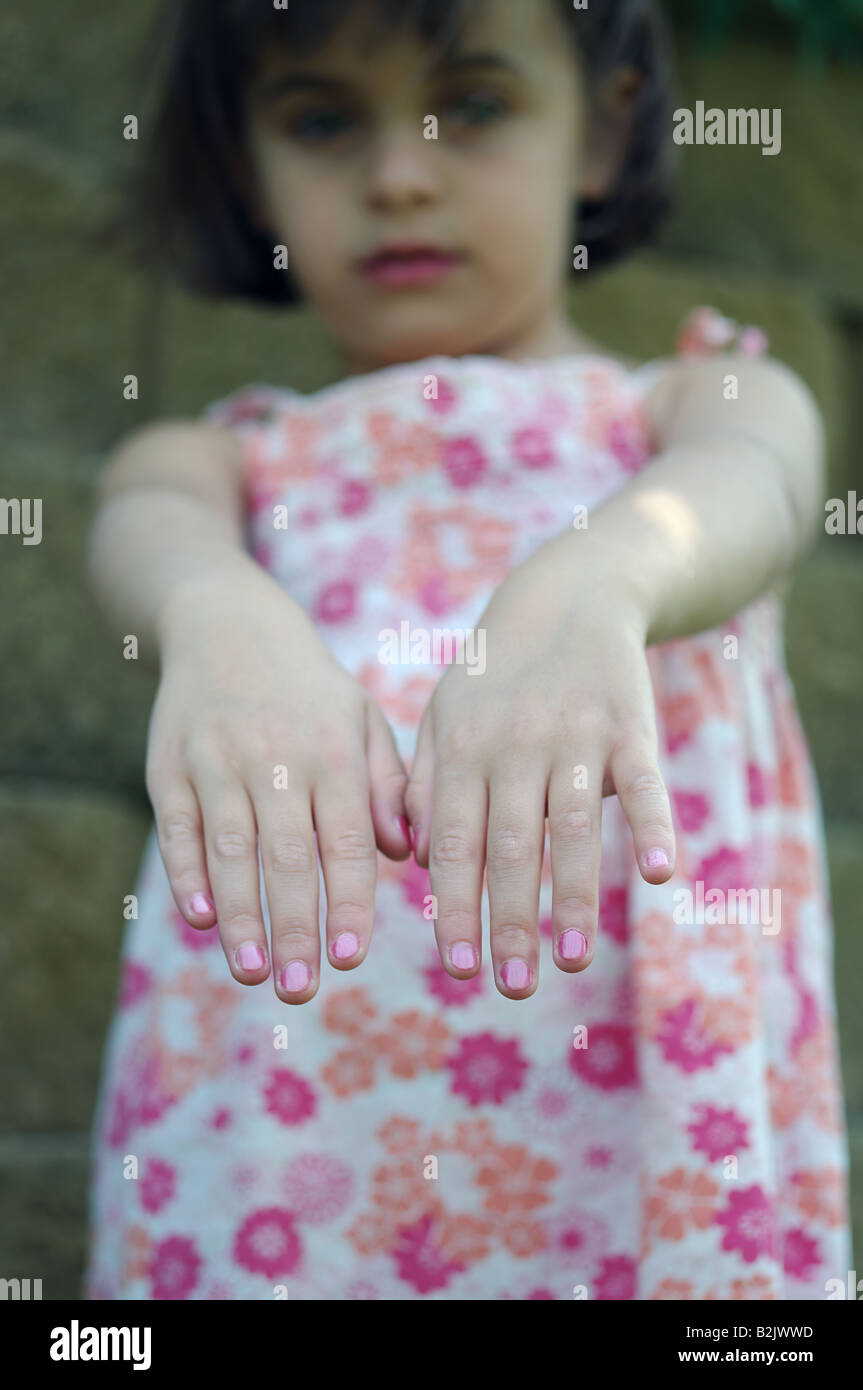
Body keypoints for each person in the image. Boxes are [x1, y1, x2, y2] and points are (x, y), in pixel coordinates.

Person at [82, 0, 851, 1300]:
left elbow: (763, 482)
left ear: (601, 136)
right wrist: (223, 615)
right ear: (245, 167)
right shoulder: (221, 465)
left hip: (633, 1162)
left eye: (476, 104)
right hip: (274, 1165)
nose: (399, 174)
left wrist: (606, 573)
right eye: (322, 119)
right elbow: (143, 536)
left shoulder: (692, 410)